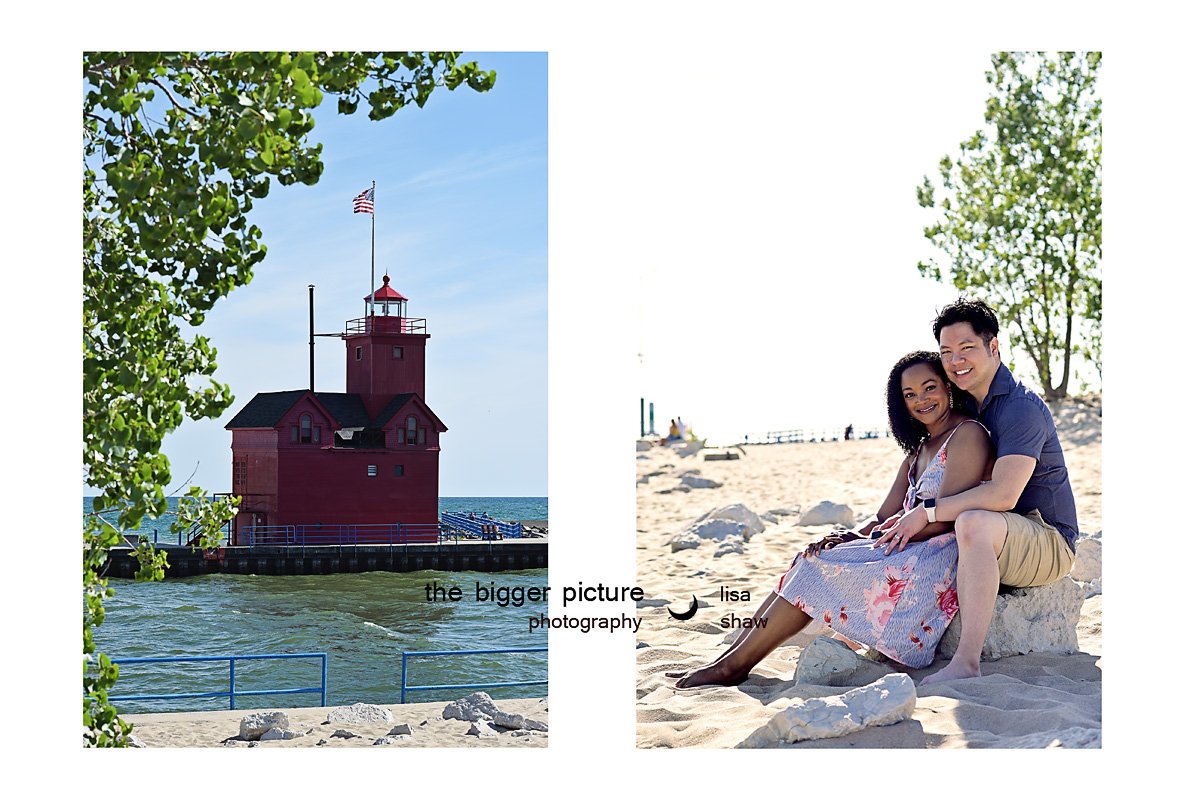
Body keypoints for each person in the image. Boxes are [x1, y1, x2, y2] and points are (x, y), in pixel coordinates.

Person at [671, 351, 991, 687]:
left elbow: (947, 516)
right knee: (810, 556)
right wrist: (850, 535)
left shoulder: (967, 434)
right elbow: (883, 515)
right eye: (909, 395)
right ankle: (727, 661)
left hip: (932, 559)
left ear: (948, 386)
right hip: (903, 546)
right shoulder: (919, 449)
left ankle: (732, 667)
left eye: (930, 388)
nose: (921, 400)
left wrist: (886, 534)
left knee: (816, 568)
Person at [876, 299, 1078, 686]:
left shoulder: (1021, 408)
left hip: (1049, 540)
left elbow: (1003, 495)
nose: (956, 361)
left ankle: (967, 661)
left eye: (966, 348)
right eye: (947, 352)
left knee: (972, 522)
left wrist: (927, 511)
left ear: (994, 347)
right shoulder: (967, 401)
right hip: (1007, 532)